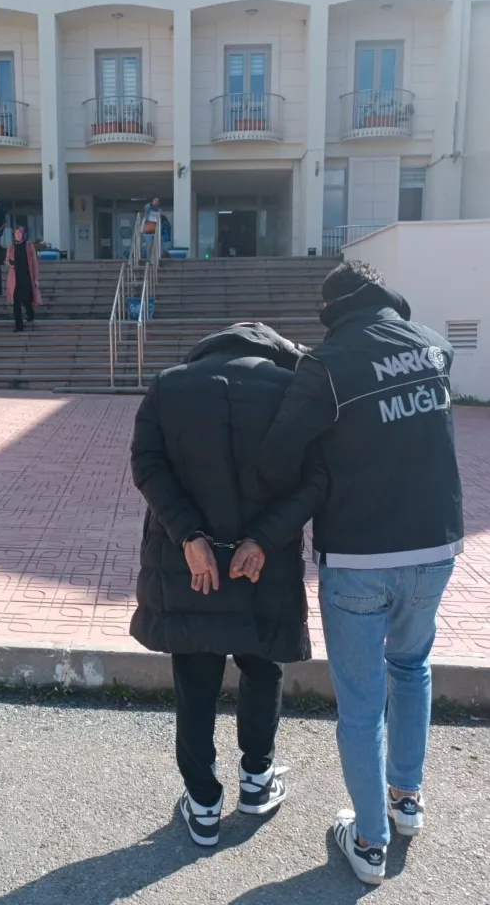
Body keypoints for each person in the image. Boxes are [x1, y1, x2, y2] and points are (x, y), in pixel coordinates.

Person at [257, 260, 464, 885]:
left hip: (358, 556)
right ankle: (406, 800)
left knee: (361, 700)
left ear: (332, 311)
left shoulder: (326, 365)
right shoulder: (433, 346)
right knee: (412, 667)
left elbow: (276, 456)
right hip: (435, 546)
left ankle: (370, 842)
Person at [130, 322, 328, 848]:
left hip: (190, 565)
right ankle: (257, 780)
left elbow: (146, 465)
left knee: (195, 677)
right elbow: (315, 478)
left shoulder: (169, 384)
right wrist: (262, 539)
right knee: (262, 668)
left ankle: (202, 803)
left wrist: (188, 535)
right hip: (264, 564)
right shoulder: (290, 389)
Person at [6, 226, 42, 332]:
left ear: (23, 234)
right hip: (15, 277)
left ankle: (30, 312)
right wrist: (10, 263)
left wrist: (36, 278)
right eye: (16, 233)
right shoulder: (11, 246)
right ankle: (19, 326)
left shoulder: (29, 246)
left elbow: (34, 262)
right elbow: (6, 260)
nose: (18, 235)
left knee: (25, 298)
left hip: (26, 276)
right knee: (16, 301)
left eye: (19, 232)